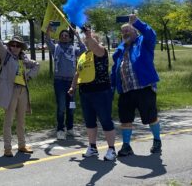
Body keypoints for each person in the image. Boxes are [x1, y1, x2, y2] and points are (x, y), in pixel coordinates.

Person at [111, 14, 161, 156]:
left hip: (144, 88)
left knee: (150, 117)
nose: (125, 33)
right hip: (126, 91)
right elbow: (115, 71)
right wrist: (111, 88)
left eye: (128, 30)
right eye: (123, 31)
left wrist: (137, 22)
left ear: (135, 32)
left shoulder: (144, 43)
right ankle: (126, 146)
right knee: (125, 119)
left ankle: (157, 141)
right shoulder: (120, 50)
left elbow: (151, 34)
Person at [0, 21, 40, 157]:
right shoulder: (5, 55)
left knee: (21, 120)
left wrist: (28, 76)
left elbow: (37, 66)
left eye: (18, 45)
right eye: (13, 45)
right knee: (8, 120)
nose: (15, 47)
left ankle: (22, 145)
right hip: (10, 91)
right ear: (10, 46)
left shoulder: (24, 58)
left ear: (21, 47)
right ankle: (7, 148)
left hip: (22, 91)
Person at [68, 28, 116, 161]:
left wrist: (89, 36)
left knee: (105, 120)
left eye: (89, 40)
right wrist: (73, 87)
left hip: (101, 92)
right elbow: (78, 73)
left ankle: (111, 149)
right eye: (85, 40)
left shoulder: (102, 52)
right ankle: (92, 147)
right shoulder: (83, 56)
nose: (87, 42)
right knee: (89, 121)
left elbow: (94, 46)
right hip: (86, 93)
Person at [45, 26, 86, 140]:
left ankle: (70, 128)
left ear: (69, 38)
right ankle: (60, 129)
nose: (64, 37)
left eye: (66, 36)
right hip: (59, 82)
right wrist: (49, 30)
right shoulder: (56, 48)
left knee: (71, 107)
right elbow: (48, 40)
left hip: (72, 82)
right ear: (59, 38)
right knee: (61, 107)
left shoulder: (74, 49)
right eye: (62, 36)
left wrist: (78, 35)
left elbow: (84, 49)